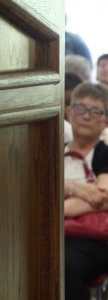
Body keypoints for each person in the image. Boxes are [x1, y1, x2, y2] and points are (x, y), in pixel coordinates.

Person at [64, 82, 108, 300]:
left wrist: (60, 206)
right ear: (69, 112)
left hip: (94, 239)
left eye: (95, 111)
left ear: (105, 120)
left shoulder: (103, 154)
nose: (86, 116)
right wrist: (77, 189)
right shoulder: (54, 150)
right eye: (80, 109)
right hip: (54, 233)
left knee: (64, 267)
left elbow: (102, 198)